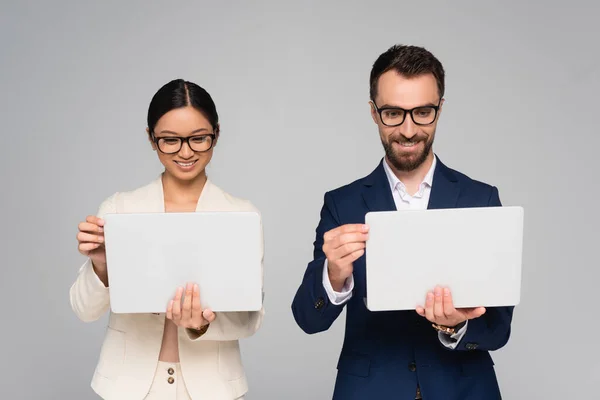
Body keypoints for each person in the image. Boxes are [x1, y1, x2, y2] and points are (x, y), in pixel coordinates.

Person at [291, 44, 514, 400]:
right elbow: (307, 319)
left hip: (464, 389)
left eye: (422, 112)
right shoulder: (342, 203)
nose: (409, 130)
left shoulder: (480, 199)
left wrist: (456, 324)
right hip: (369, 389)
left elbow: (499, 328)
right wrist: (333, 276)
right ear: (374, 112)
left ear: (439, 110)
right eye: (393, 113)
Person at [69, 79, 264, 400]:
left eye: (199, 139)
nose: (185, 152)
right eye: (170, 140)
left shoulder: (241, 214)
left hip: (212, 389)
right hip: (127, 386)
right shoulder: (119, 209)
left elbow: (251, 318)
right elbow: (84, 310)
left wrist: (199, 325)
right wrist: (102, 267)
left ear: (217, 133)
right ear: (151, 138)